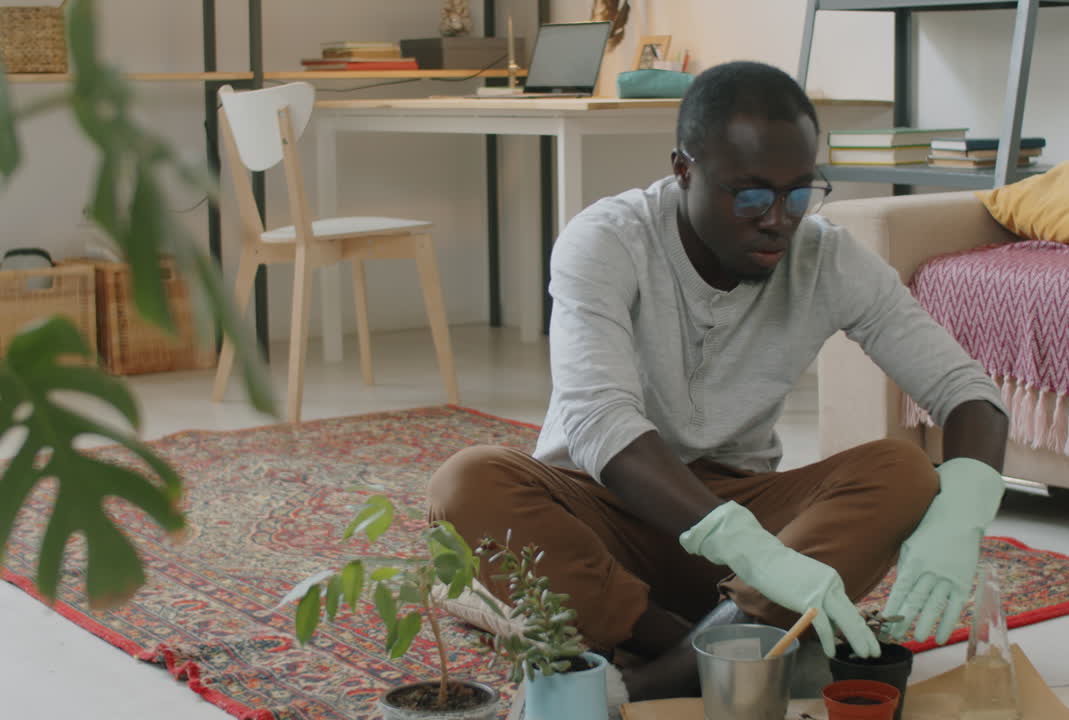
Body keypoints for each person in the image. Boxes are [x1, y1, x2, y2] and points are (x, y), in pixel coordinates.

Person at [428, 60, 1009, 700]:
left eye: (798, 194)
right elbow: (600, 423)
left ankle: (654, 679)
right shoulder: (606, 240)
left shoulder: (827, 258)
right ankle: (722, 648)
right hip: (599, 518)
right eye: (752, 196)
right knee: (466, 482)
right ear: (684, 169)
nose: (778, 220)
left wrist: (966, 504)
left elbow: (965, 391)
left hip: (740, 530)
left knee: (904, 472)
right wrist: (753, 552)